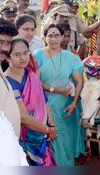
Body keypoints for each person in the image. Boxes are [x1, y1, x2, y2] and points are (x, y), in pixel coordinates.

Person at [33, 24, 84, 166]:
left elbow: (79, 82)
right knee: (49, 137)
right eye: (50, 35)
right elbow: (35, 82)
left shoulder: (70, 57)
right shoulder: (37, 55)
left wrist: (74, 104)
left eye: (57, 35)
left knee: (65, 139)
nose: (53, 39)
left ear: (62, 37)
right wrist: (57, 90)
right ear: (44, 37)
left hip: (65, 107)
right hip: (44, 104)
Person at [5, 37, 57, 166]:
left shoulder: (31, 75)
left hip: (42, 135)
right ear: (7, 57)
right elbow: (24, 118)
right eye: (17, 54)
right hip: (23, 139)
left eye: (25, 53)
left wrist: (52, 125)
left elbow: (44, 101)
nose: (23, 57)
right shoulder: (8, 81)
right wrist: (48, 130)